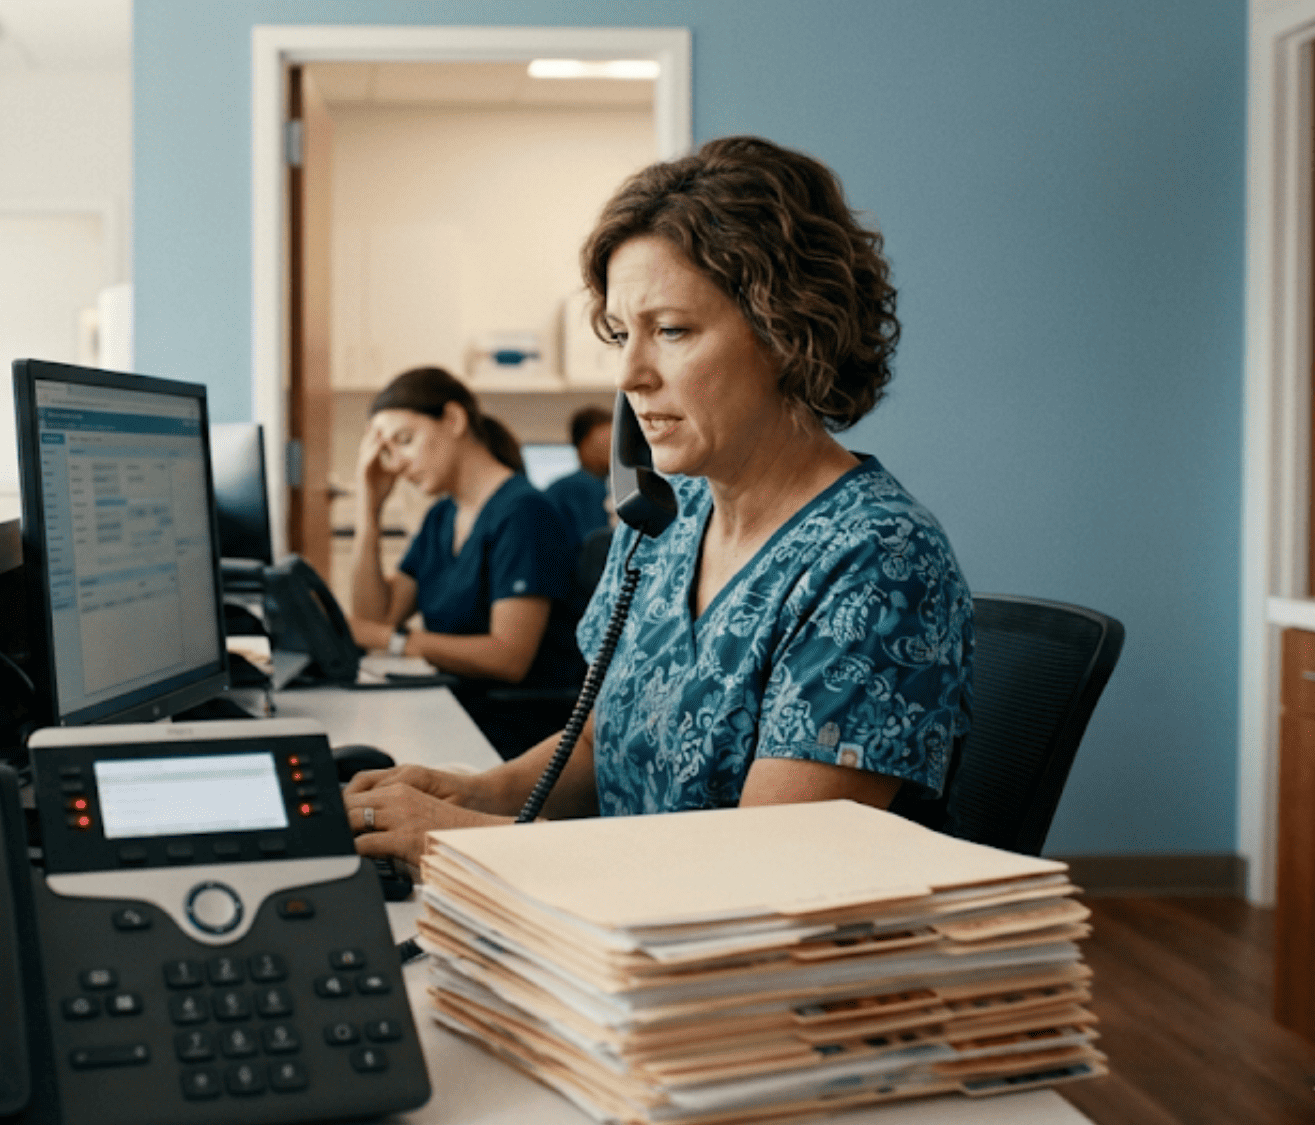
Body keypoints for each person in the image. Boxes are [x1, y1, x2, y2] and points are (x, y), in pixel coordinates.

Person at [344, 136, 974, 866]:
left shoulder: (878, 559)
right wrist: (478, 794)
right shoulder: (665, 521)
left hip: (758, 966)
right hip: (621, 937)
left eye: (670, 331)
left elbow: (771, 865)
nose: (629, 375)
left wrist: (468, 845)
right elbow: (601, 737)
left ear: (790, 332)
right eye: (620, 334)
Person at [347, 366, 586, 759]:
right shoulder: (442, 517)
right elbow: (376, 615)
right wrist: (368, 507)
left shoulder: (525, 513)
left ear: (454, 419)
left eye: (404, 441)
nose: (398, 463)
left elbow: (508, 657)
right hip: (456, 713)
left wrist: (392, 641)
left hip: (515, 736)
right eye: (387, 452)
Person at [542, 405, 614, 547]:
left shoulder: (609, 486)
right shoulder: (574, 488)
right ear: (584, 443)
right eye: (607, 441)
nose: (614, 449)